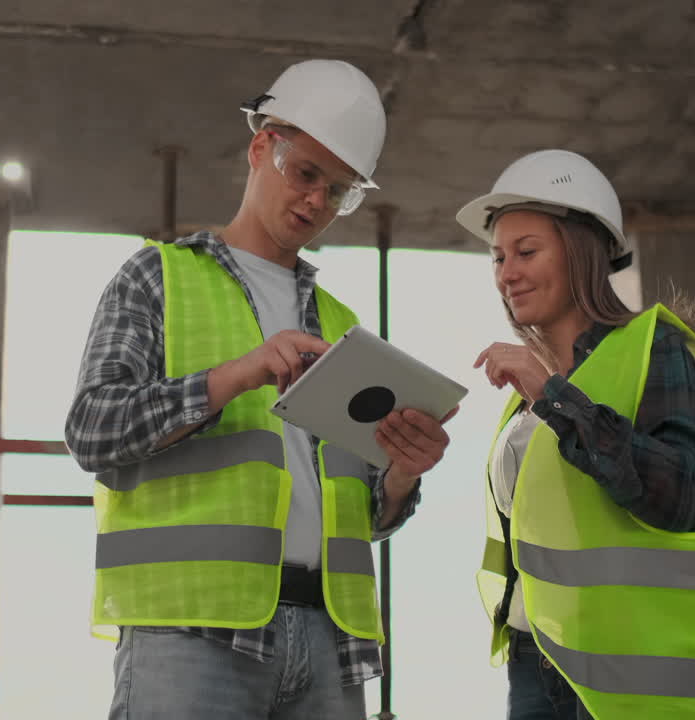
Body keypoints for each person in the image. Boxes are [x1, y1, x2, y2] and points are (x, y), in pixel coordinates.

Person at [65, 59, 456, 720]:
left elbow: (359, 514)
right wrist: (239, 373)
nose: (315, 203)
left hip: (331, 641)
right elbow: (94, 431)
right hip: (190, 633)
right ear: (259, 148)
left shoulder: (341, 325)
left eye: (337, 192)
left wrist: (399, 479)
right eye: (306, 174)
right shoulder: (157, 277)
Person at [456, 149, 695, 719]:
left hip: (630, 672)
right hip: (538, 662)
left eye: (526, 251)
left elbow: (684, 493)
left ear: (582, 252)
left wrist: (556, 400)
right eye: (497, 257)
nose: (506, 273)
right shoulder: (523, 399)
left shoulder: (653, 349)